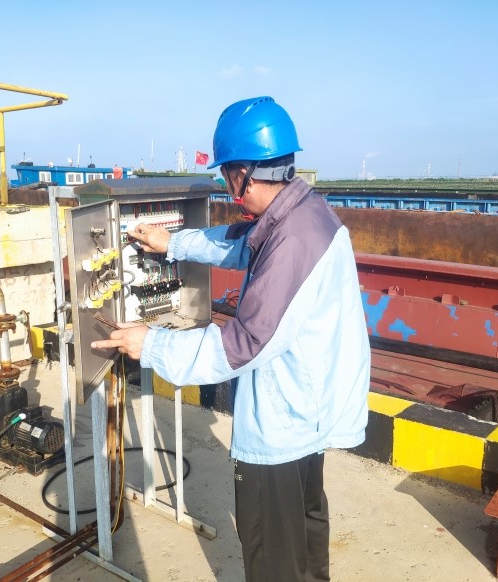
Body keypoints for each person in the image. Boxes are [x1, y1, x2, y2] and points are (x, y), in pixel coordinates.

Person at [91, 96, 370, 581]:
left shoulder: (292, 242)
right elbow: (243, 243)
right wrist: (173, 242)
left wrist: (150, 344)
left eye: (226, 175)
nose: (225, 185)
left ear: (244, 174)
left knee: (272, 556)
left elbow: (242, 344)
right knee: (306, 535)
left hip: (281, 425)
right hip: (309, 410)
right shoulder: (305, 212)